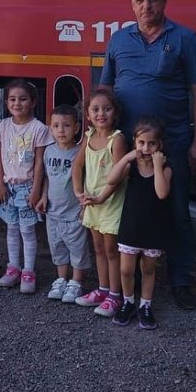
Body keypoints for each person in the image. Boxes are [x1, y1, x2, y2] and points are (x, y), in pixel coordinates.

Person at [100, 0, 196, 311]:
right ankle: (124, 283)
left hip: (170, 144)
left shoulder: (185, 39)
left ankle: (180, 281)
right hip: (126, 147)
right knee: (125, 211)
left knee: (175, 210)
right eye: (139, 0)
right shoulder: (118, 40)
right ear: (131, 4)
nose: (146, 6)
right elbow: (105, 89)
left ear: (165, 1)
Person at [106, 118, 174, 330]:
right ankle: (128, 302)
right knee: (126, 269)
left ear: (159, 145)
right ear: (134, 142)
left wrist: (156, 165)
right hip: (131, 226)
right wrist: (126, 157)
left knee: (148, 269)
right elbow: (111, 180)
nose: (145, 148)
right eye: (141, 143)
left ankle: (146, 305)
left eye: (151, 143)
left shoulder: (166, 169)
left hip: (153, 227)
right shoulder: (131, 166)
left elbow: (162, 193)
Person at [72, 86, 128, 317]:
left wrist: (102, 197)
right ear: (87, 115)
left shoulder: (117, 140)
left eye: (106, 109)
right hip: (92, 202)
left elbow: (119, 174)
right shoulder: (88, 137)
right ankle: (103, 289)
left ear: (115, 113)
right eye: (95, 109)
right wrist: (78, 193)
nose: (100, 114)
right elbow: (77, 166)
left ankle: (116, 295)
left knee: (111, 249)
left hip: (110, 202)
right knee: (97, 247)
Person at [0, 79, 51, 294]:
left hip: (27, 187)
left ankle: (28, 271)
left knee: (27, 230)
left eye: (23, 99)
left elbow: (39, 162)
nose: (17, 103)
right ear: (6, 102)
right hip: (8, 186)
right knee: (11, 229)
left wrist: (36, 189)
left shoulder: (40, 129)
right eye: (12, 99)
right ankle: (13, 268)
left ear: (33, 102)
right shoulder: (4, 125)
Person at [39, 104, 92, 304]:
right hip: (53, 212)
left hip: (73, 213)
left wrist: (84, 207)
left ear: (76, 128)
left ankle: (76, 282)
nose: (61, 130)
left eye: (67, 125)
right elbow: (46, 178)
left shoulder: (80, 153)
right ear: (50, 128)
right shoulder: (48, 151)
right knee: (58, 247)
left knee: (77, 248)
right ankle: (61, 279)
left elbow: (86, 179)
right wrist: (43, 197)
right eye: (56, 126)